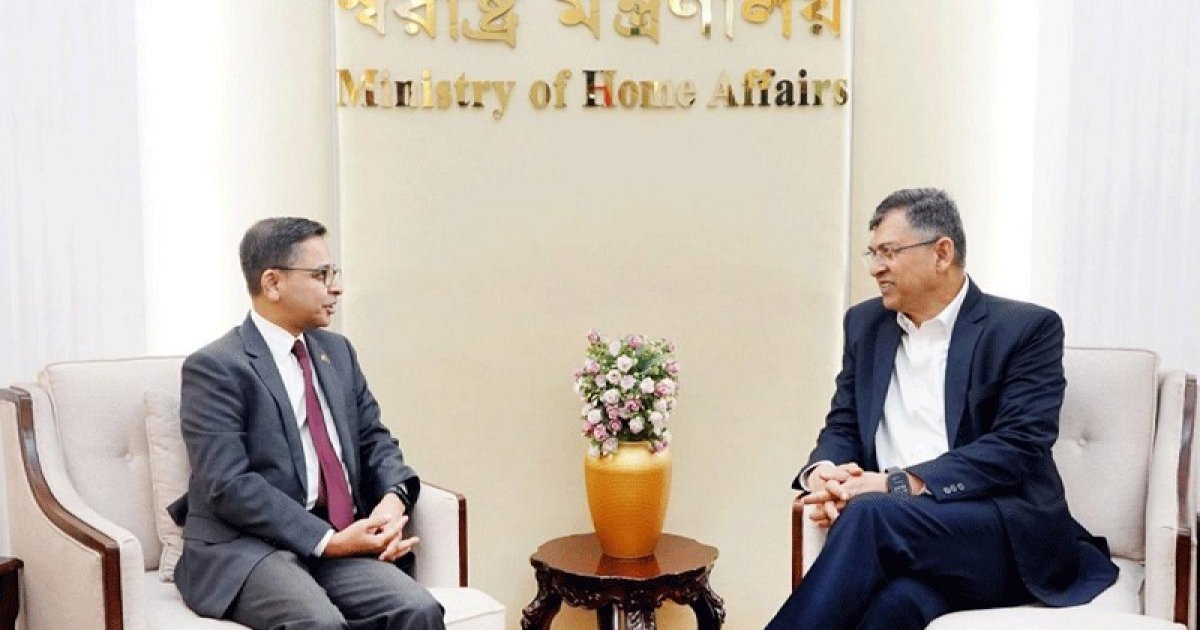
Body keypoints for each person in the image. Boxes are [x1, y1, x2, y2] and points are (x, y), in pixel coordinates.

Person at [766, 189, 1117, 630]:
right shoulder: (865, 324)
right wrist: (825, 473)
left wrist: (895, 483)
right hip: (910, 540)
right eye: (872, 254)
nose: (875, 268)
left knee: (870, 514)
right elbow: (845, 422)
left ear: (942, 253)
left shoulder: (1025, 329)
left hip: (996, 533)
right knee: (895, 608)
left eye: (889, 252)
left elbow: (1018, 445)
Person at [169, 217, 445, 629]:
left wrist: (393, 498)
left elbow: (374, 440)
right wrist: (327, 542)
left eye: (334, 273)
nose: (336, 288)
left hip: (336, 537)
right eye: (321, 275)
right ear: (273, 283)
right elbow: (228, 484)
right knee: (320, 624)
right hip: (248, 548)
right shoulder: (216, 367)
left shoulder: (337, 353)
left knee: (418, 609)